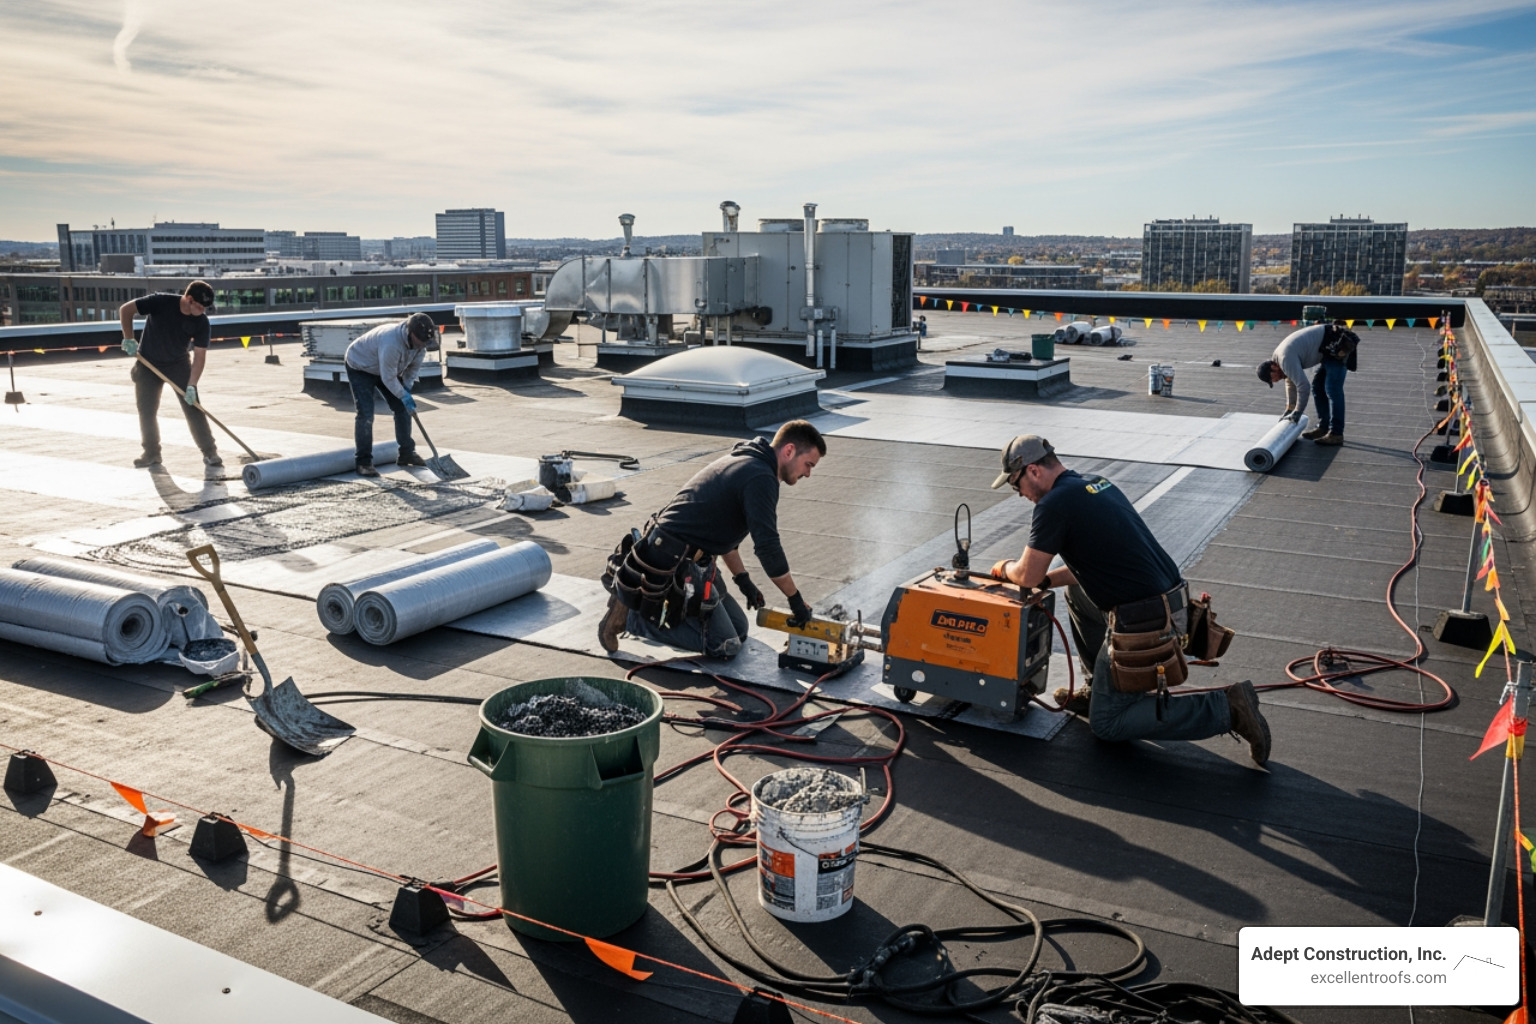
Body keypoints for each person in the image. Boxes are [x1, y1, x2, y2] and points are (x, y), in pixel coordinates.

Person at [986, 434, 1271, 766]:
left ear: (1033, 470)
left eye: (1015, 484)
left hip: (1145, 622)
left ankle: (1228, 708)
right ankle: (1099, 687)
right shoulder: (1095, 485)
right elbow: (1089, 567)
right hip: (1168, 605)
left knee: (1108, 724)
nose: (1018, 493)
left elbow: (1028, 575)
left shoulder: (1053, 505)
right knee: (1076, 591)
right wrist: (1049, 579)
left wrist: (1004, 568)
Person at [597, 420, 825, 658]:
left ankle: (660, 612)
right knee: (724, 645)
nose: (808, 473)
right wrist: (795, 599)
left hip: (695, 561)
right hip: (671, 561)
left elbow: (725, 535)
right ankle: (634, 615)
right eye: (808, 464)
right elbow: (768, 548)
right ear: (789, 451)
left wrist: (743, 580)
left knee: (740, 630)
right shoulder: (760, 477)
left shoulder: (749, 462)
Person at [118, 280, 222, 472]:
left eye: (205, 308)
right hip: (148, 363)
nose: (202, 311)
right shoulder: (161, 302)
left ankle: (210, 452)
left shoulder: (201, 322)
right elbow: (126, 310)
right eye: (199, 306)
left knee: (193, 408)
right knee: (147, 410)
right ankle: (151, 453)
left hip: (178, 364)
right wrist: (128, 337)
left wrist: (192, 385)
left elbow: (200, 356)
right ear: (188, 299)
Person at [342, 312, 436, 476]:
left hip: (384, 367)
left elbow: (411, 372)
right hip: (360, 365)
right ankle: (363, 462)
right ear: (410, 333)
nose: (422, 345)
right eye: (420, 341)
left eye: (425, 342)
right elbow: (388, 378)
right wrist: (403, 395)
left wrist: (406, 391)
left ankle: (407, 453)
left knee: (402, 408)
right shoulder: (391, 342)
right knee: (366, 413)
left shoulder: (421, 345)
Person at [1256, 320, 1357, 447]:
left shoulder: (1285, 359)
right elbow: (1290, 381)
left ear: (1273, 367)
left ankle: (1336, 433)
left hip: (1338, 344)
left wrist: (1298, 412)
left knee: (1332, 389)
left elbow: (1303, 386)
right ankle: (1323, 427)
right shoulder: (1279, 360)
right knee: (1318, 387)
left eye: (1274, 378)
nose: (1277, 380)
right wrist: (1290, 408)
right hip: (1328, 348)